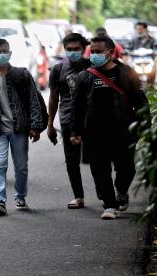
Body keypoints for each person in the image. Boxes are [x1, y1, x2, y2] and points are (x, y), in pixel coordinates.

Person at [70, 36, 148, 220]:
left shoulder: (127, 73)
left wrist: (146, 128)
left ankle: (121, 189)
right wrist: (75, 131)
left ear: (111, 53)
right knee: (99, 170)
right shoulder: (85, 76)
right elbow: (77, 107)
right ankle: (110, 205)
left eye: (98, 51)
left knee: (127, 168)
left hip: (124, 131)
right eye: (92, 52)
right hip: (94, 133)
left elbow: (141, 103)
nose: (94, 55)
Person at [0, 38, 44, 215]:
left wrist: (36, 125)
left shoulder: (22, 75)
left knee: (21, 166)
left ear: (10, 53)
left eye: (4, 51)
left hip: (19, 128)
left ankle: (20, 196)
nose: (2, 55)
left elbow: (34, 101)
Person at [48, 33, 91, 209]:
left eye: (76, 49)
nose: (72, 52)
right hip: (66, 119)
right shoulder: (58, 69)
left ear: (83, 49)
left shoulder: (92, 66)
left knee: (97, 158)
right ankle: (78, 197)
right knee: (71, 160)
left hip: (90, 120)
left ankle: (106, 194)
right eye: (69, 49)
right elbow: (53, 98)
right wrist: (50, 124)